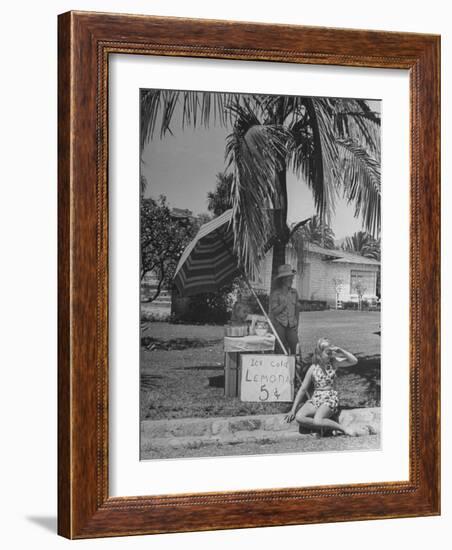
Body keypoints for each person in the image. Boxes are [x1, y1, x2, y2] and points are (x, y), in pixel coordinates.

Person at [284, 337, 358, 436]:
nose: (330, 355)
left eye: (331, 352)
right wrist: (293, 410)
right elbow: (303, 389)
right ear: (320, 353)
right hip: (316, 398)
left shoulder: (334, 363)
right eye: (328, 353)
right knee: (299, 417)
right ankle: (325, 428)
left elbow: (354, 361)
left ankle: (343, 429)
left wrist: (340, 350)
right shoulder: (313, 368)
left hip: (329, 397)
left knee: (318, 420)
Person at [269, 264, 300, 355]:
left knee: (295, 345)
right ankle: (281, 365)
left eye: (291, 278)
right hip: (280, 324)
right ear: (283, 280)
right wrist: (282, 305)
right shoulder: (276, 294)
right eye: (289, 278)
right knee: (280, 347)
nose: (291, 280)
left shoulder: (294, 293)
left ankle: (295, 366)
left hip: (291, 325)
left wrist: (297, 324)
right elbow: (274, 312)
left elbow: (297, 310)